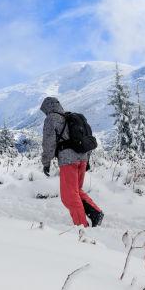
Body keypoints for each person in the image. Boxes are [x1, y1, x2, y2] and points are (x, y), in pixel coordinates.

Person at [40, 96, 104, 227]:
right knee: (76, 190)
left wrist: (46, 162)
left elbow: (48, 144)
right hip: (83, 158)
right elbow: (86, 139)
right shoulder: (70, 118)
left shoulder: (51, 118)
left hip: (68, 160)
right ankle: (96, 212)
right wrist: (87, 160)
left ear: (47, 107)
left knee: (68, 196)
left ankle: (81, 227)